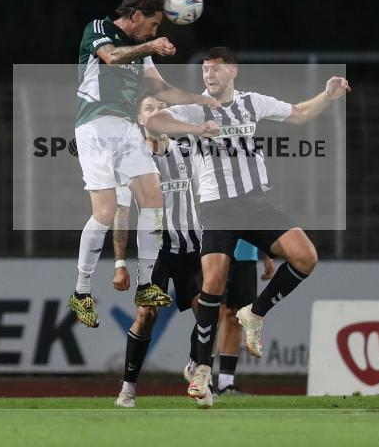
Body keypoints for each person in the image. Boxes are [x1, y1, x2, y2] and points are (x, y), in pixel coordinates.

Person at [145, 46, 351, 400]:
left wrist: (327, 96)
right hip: (216, 209)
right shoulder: (196, 106)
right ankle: (202, 371)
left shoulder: (252, 103)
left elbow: (298, 113)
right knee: (212, 284)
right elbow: (153, 122)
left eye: (215, 68)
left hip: (256, 204)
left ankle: (255, 314)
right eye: (205, 69)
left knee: (306, 257)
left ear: (233, 71)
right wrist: (196, 128)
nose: (209, 74)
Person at [70, 0, 220, 328]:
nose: (154, 32)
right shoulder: (99, 29)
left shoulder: (142, 49)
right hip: (94, 126)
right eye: (152, 25)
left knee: (154, 198)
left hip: (125, 126)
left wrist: (200, 100)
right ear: (136, 16)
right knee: (105, 212)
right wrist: (150, 47)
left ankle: (146, 285)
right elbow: (110, 57)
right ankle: (81, 291)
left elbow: (162, 90)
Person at [113, 96, 211, 408]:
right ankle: (128, 387)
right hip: (154, 252)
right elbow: (121, 212)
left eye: (161, 108)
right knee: (146, 315)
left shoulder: (188, 149)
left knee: (208, 311)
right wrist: (119, 261)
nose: (156, 112)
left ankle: (196, 370)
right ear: (140, 119)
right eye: (149, 109)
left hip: (191, 248)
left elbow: (203, 195)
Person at [214, 238, 274, 396]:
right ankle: (204, 380)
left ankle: (225, 384)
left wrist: (267, 253)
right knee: (213, 315)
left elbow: (259, 222)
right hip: (218, 250)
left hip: (246, 253)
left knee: (236, 317)